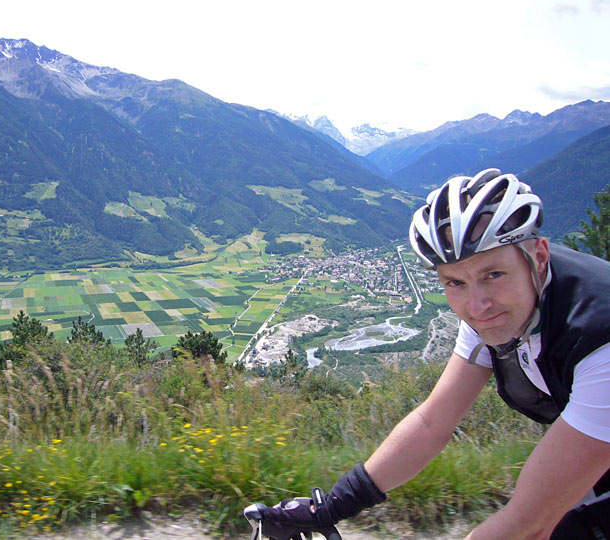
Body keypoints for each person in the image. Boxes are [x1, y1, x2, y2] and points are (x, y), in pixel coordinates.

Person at [260, 168, 610, 539]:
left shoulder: (599, 340)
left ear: (538, 257)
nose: (476, 305)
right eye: (455, 282)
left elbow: (527, 525)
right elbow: (432, 422)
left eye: (493, 275)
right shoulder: (496, 312)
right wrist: (331, 507)